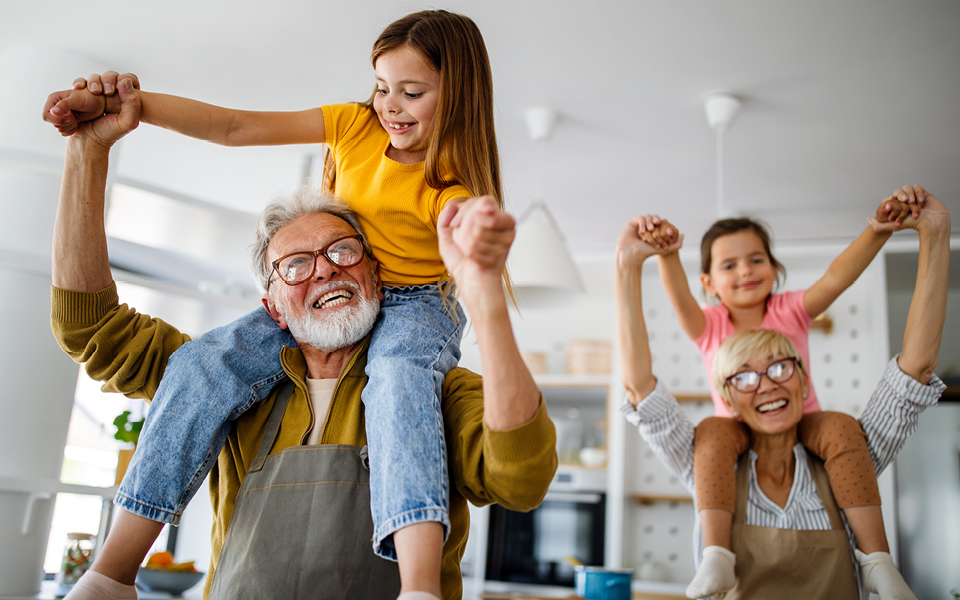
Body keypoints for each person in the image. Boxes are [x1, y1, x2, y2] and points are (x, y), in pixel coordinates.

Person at [43, 10, 505, 599]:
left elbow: (516, 470)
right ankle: (112, 572)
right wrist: (132, 109)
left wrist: (479, 257)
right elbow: (233, 126)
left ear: (458, 96)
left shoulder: (450, 192)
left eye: (411, 92)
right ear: (274, 300)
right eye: (382, 87)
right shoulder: (355, 127)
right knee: (200, 363)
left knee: (398, 383)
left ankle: (418, 587)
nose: (389, 105)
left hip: (417, 306)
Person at [614, 191, 950, 599]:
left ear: (804, 379)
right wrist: (647, 260)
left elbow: (906, 364)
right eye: (743, 376)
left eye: (780, 367)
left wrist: (889, 232)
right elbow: (641, 387)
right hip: (727, 434)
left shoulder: (844, 465)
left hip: (813, 427)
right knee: (713, 433)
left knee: (840, 426)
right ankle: (716, 555)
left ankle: (877, 561)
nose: (767, 384)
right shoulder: (710, 465)